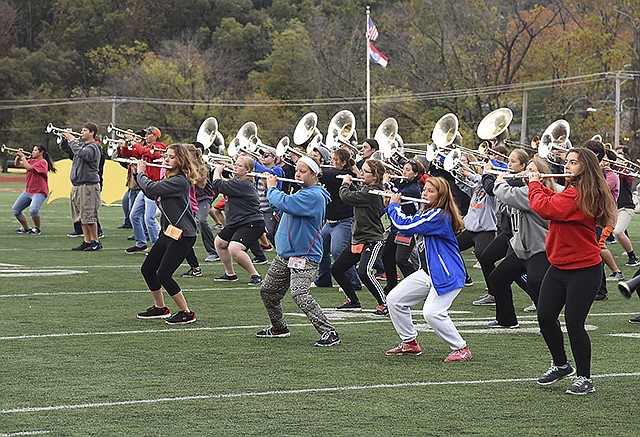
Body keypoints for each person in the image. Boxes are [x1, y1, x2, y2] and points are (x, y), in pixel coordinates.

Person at [529, 147, 617, 395]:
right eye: (567, 162)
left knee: (574, 323)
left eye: (573, 162)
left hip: (584, 269)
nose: (567, 166)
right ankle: (560, 364)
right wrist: (539, 185)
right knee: (545, 317)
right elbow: (555, 203)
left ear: (585, 167)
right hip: (559, 266)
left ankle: (585, 378)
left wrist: (534, 184)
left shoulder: (581, 195)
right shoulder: (572, 191)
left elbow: (547, 208)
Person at [383, 176, 471, 362]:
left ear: (441, 196)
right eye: (425, 190)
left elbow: (404, 225)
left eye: (431, 191)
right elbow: (403, 227)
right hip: (428, 272)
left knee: (432, 312)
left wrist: (394, 206)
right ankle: (410, 343)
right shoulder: (426, 213)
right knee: (394, 300)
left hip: (447, 273)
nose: (425, 194)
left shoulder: (438, 215)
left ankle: (461, 348)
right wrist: (389, 205)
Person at [256, 156, 340, 347]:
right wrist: (269, 186)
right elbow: (280, 204)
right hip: (286, 254)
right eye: (297, 171)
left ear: (314, 174)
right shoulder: (303, 192)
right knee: (268, 291)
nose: (297, 174)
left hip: (304, 255)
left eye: (303, 171)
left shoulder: (314, 195)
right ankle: (279, 328)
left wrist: (271, 188)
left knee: (299, 293)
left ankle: (330, 332)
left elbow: (285, 203)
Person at [136, 144, 199, 325]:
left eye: (171, 157)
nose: (166, 160)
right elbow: (151, 193)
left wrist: (141, 174)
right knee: (148, 269)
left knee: (164, 274)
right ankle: (160, 308)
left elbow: (153, 189)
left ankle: (186, 312)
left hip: (184, 235)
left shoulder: (180, 180)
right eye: (166, 156)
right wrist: (139, 176)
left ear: (181, 160)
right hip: (170, 232)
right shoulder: (170, 177)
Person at [489, 156, 555, 328]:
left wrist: (499, 180)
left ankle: (549, 323)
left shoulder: (534, 192)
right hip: (522, 249)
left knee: (535, 282)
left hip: (539, 248)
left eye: (532, 171)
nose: (527, 173)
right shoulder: (526, 190)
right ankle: (507, 319)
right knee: (497, 278)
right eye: (528, 170)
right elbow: (509, 205)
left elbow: (507, 194)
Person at [332, 159, 387, 315]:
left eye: (365, 171)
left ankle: (385, 303)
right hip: (358, 239)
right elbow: (357, 195)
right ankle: (353, 301)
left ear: (375, 176)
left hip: (372, 239)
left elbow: (347, 197)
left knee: (365, 272)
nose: (361, 173)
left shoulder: (373, 191)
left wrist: (345, 184)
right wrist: (353, 184)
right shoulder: (367, 189)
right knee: (337, 269)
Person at [212, 155, 265, 285]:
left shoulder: (242, 183)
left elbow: (218, 185)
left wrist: (217, 171)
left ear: (248, 170)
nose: (235, 167)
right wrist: (229, 166)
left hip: (251, 222)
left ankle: (256, 276)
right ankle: (230, 274)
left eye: (239, 166)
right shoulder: (239, 180)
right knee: (219, 243)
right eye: (235, 164)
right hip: (238, 222)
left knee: (234, 249)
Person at [314, 148, 361, 290]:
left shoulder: (344, 176)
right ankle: (323, 280)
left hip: (344, 221)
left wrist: (313, 167)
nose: (332, 163)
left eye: (335, 161)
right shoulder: (335, 174)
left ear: (344, 162)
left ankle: (353, 283)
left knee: (338, 251)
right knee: (320, 249)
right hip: (330, 221)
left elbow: (325, 175)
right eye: (331, 160)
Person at [380, 159, 424, 294]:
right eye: (404, 169)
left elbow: (397, 194)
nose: (403, 172)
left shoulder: (413, 188)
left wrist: (386, 183)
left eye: (408, 170)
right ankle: (391, 285)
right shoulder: (403, 184)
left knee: (401, 259)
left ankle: (419, 287)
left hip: (407, 229)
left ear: (415, 174)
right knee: (387, 255)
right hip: (396, 228)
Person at [121, 126, 166, 254]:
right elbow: (127, 154)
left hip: (154, 186)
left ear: (155, 136)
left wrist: (133, 142)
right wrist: (126, 145)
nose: (145, 136)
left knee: (149, 218)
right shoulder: (146, 148)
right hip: (145, 185)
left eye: (148, 134)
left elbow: (147, 152)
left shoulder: (160, 146)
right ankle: (141, 243)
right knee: (134, 215)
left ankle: (158, 248)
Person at [62, 123, 103, 251]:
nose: (81, 132)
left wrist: (72, 139)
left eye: (84, 130)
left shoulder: (94, 147)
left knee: (89, 215)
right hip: (78, 185)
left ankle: (95, 241)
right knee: (82, 216)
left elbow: (83, 154)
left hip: (88, 186)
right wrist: (65, 140)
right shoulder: (82, 146)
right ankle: (87, 240)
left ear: (92, 133)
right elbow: (68, 150)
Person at [12, 145, 57, 235]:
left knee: (33, 210)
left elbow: (29, 168)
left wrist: (23, 157)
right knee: (16, 210)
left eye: (35, 150)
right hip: (29, 191)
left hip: (39, 191)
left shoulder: (43, 162)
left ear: (41, 152)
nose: (33, 152)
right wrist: (18, 156)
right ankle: (26, 228)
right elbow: (17, 164)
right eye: (33, 150)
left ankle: (37, 229)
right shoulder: (31, 161)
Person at [612, 145, 639, 266]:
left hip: (626, 207)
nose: (617, 159)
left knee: (618, 232)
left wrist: (618, 165)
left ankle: (633, 257)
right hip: (614, 208)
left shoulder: (627, 173)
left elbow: (624, 178)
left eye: (620, 156)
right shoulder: (611, 171)